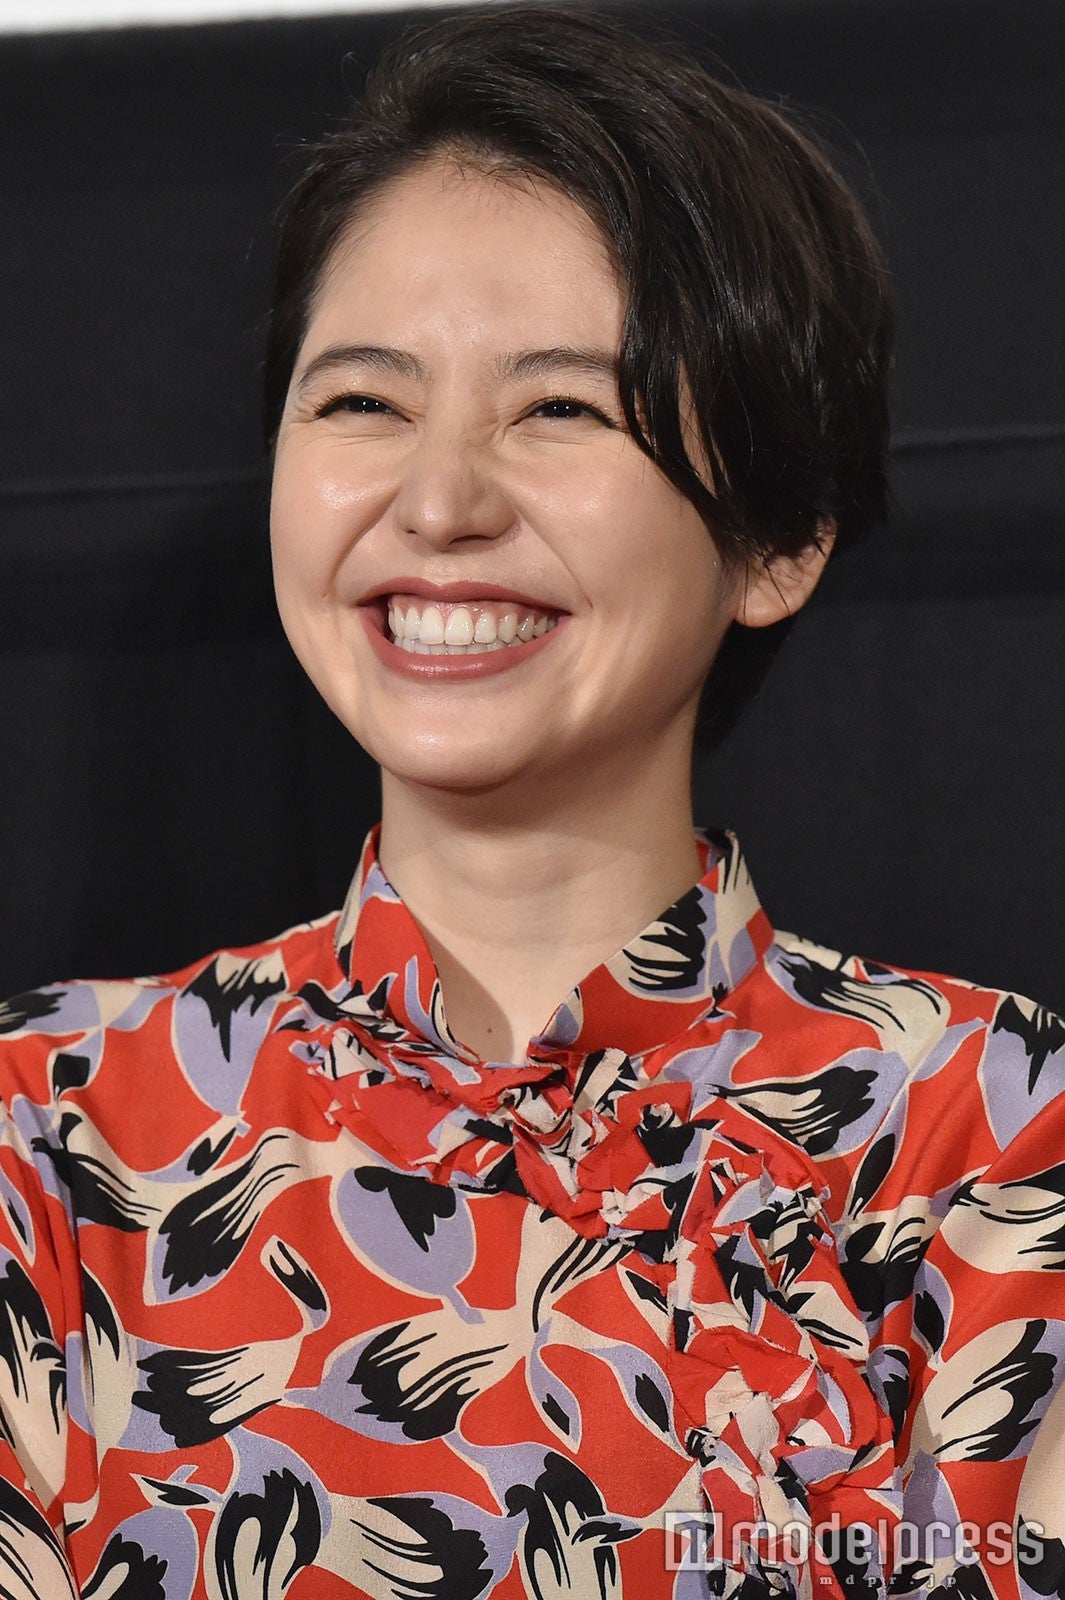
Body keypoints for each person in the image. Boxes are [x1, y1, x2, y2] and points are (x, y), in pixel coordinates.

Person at [1, 8, 1062, 1598]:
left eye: (560, 408)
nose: (439, 500)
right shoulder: (49, 1122)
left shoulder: (991, 1128)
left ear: (777, 537)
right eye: (362, 403)